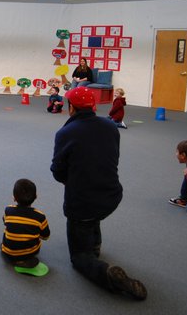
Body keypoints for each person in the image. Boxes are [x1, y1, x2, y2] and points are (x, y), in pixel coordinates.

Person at [51, 86, 147, 300]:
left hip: (83, 202)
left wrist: (71, 181)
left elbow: (58, 171)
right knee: (93, 214)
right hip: (111, 195)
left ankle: (106, 274)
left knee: (78, 256)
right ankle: (94, 245)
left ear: (71, 108)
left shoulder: (66, 132)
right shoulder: (110, 126)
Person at [1, 179, 50, 275]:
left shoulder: (8, 210)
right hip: (30, 253)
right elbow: (46, 237)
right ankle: (24, 260)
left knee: (7, 230)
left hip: (7, 252)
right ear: (36, 197)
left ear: (14, 198)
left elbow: (5, 221)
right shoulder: (40, 216)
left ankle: (12, 254)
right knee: (34, 236)